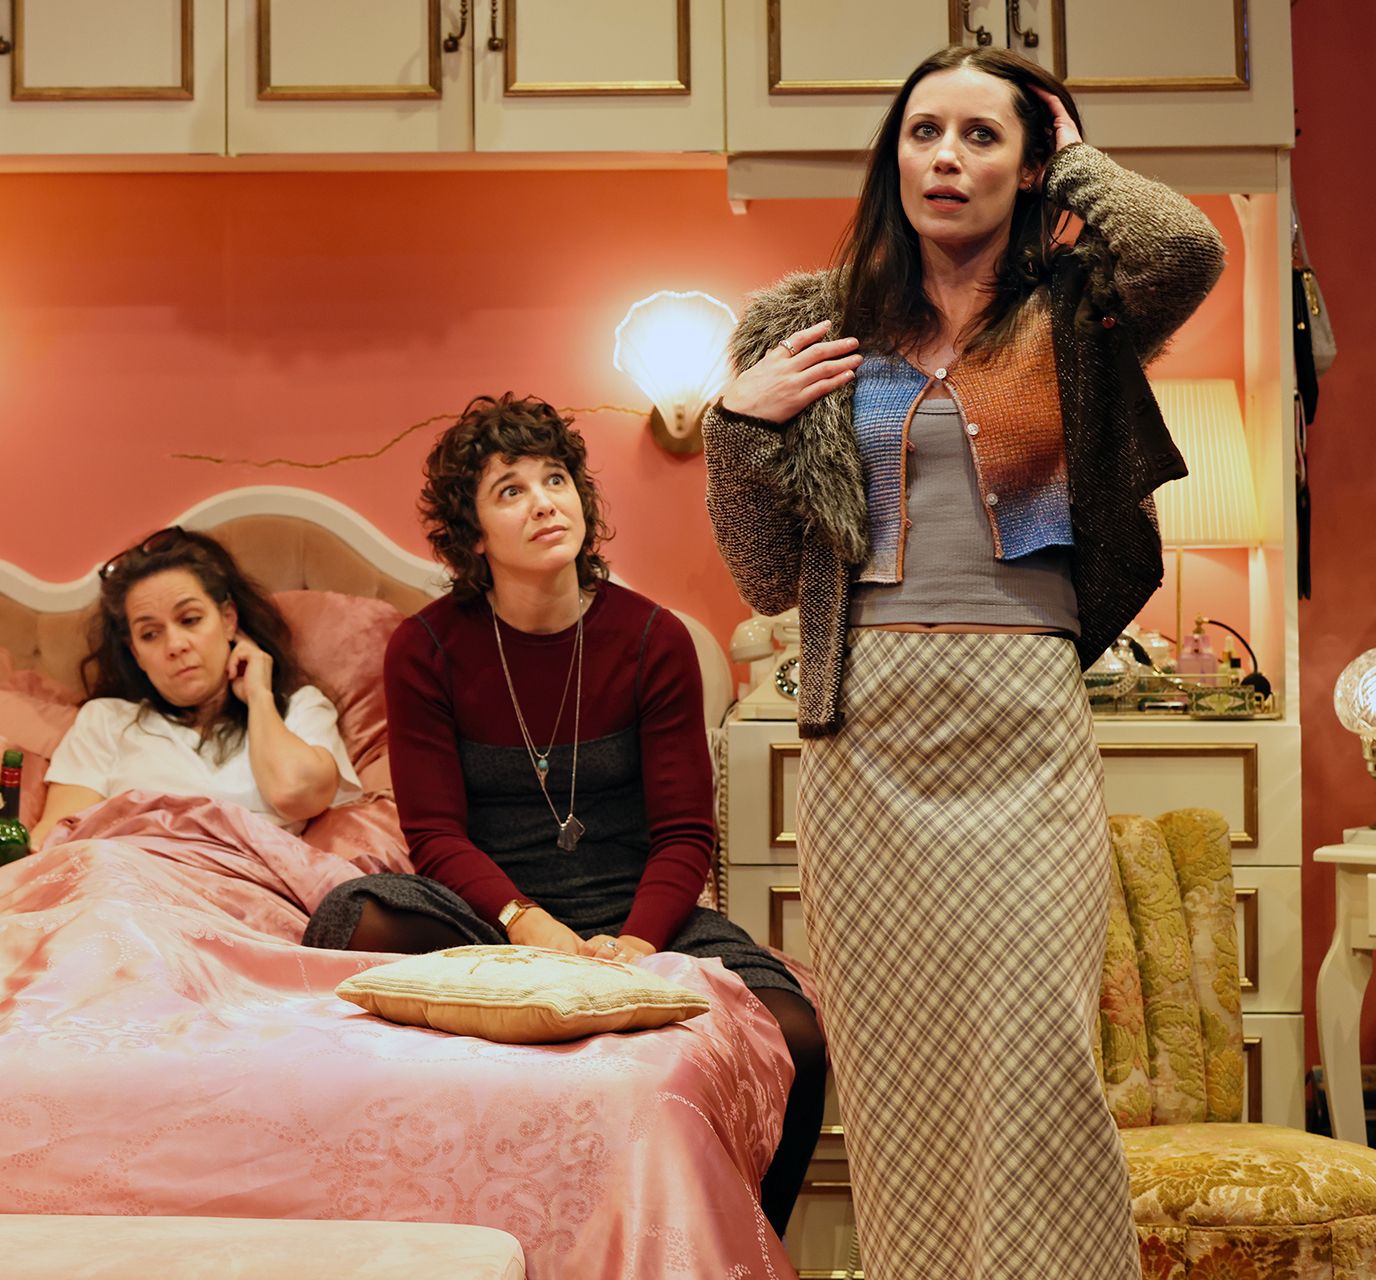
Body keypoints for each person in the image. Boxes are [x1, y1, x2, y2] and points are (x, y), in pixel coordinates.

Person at [702, 46, 1224, 1279]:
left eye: (983, 135)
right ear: (894, 154)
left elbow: (1188, 247)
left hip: (1022, 723)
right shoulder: (809, 324)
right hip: (867, 739)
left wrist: (1076, 151)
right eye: (924, 130)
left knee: (1038, 1065)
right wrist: (738, 425)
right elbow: (765, 576)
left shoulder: (1084, 309)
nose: (946, 156)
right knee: (900, 1078)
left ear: (1030, 164)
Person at [303, 394, 827, 1236]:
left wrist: (636, 947)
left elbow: (685, 834)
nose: (546, 502)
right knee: (352, 919)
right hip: (489, 916)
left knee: (797, 1031)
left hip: (638, 913)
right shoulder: (426, 647)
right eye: (510, 490)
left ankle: (753, 1244)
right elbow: (434, 835)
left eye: (556, 479)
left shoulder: (653, 638)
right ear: (473, 536)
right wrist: (529, 926)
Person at [0, 526, 362, 873]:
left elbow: (296, 794)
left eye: (190, 620)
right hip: (121, 891)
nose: (175, 645)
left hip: (241, 897)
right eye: (150, 634)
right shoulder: (106, 720)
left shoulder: (299, 710)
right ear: (135, 652)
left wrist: (258, 696)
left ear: (228, 620)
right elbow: (57, 837)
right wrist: (1, 857)